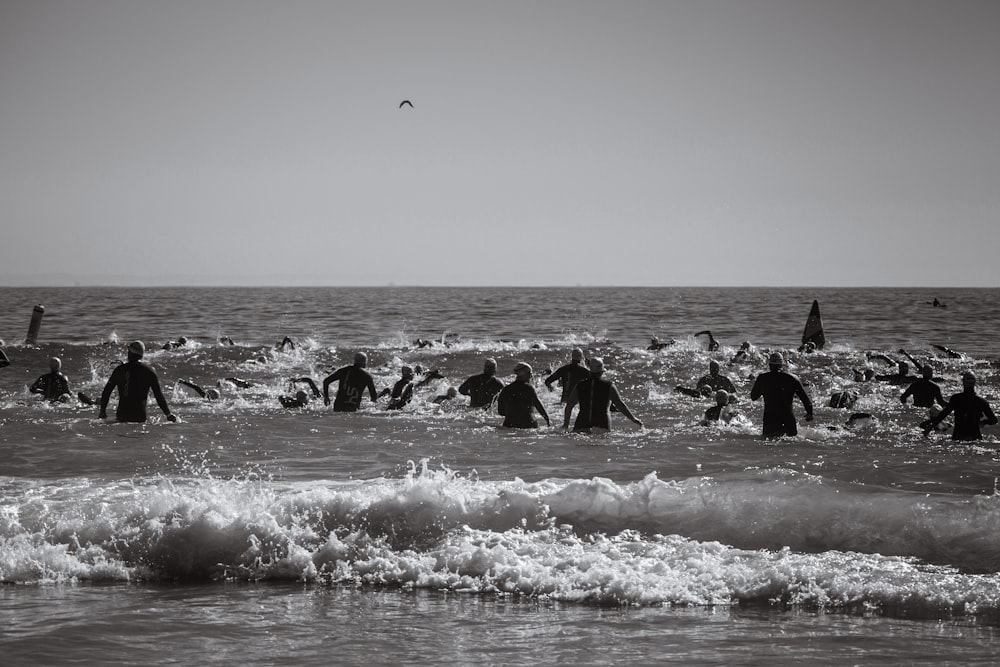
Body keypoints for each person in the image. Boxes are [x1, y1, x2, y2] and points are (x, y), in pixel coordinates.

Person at [98, 341, 177, 423]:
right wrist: (168, 414)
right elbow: (158, 396)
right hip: (140, 417)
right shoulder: (149, 371)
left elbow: (107, 391)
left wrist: (102, 411)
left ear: (130, 353)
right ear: (141, 355)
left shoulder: (119, 370)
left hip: (122, 416)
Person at [563, 357, 641, 432]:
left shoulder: (579, 385)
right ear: (602, 372)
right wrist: (633, 419)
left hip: (581, 425)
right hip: (602, 425)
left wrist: (566, 425)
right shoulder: (609, 386)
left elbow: (569, 406)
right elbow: (620, 405)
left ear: (590, 370)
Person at [749, 352, 814, 439]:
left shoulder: (763, 379)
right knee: (790, 445)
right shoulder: (793, 378)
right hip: (788, 420)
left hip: (770, 420)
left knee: (769, 445)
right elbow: (806, 400)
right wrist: (809, 414)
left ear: (770, 365)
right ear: (782, 364)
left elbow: (753, 397)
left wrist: (765, 389)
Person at [922, 371, 997, 441]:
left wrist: (931, 426)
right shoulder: (981, 402)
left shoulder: (956, 399)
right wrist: (983, 422)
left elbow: (944, 414)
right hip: (975, 436)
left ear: (963, 382)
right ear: (974, 383)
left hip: (959, 435)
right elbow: (994, 420)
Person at [496, 362, 550, 428]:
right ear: (524, 374)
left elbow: (500, 411)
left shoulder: (506, 389)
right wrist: (547, 419)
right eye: (530, 374)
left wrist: (513, 413)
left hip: (509, 424)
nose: (531, 376)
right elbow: (538, 405)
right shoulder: (529, 388)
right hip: (528, 424)